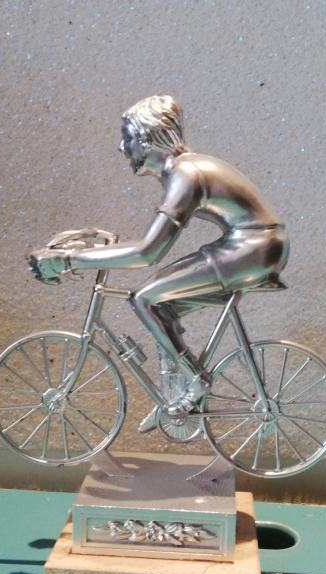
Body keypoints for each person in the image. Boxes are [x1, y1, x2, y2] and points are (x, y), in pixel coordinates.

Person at [30, 95, 289, 420]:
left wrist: (70, 260)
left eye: (127, 138)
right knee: (160, 306)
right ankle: (178, 392)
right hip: (257, 244)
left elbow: (148, 252)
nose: (121, 148)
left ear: (147, 139)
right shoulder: (181, 170)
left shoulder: (186, 175)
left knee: (144, 298)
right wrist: (92, 250)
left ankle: (196, 383)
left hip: (254, 247)